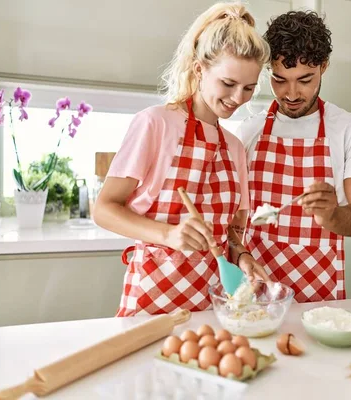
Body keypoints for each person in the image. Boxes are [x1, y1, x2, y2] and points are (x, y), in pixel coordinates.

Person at [94, 2, 270, 316]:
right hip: (151, 304)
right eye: (228, 84)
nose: (238, 99)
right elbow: (104, 209)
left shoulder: (234, 146)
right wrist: (168, 235)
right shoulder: (155, 124)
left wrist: (242, 257)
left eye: (249, 88)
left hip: (212, 307)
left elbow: (231, 233)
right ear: (199, 69)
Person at [237, 10, 351, 303]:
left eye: (304, 80)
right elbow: (233, 218)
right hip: (254, 292)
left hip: (319, 297)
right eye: (279, 79)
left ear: (323, 66)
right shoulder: (249, 130)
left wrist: (333, 215)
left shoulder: (350, 129)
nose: (291, 93)